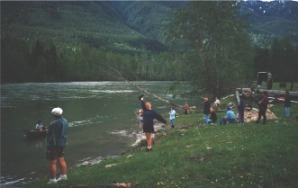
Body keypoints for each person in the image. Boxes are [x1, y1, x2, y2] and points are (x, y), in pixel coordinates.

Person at [46, 107, 68, 184]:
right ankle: (63, 176)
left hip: (54, 146)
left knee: (52, 162)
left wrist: (50, 147)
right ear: (61, 113)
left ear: (53, 115)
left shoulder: (53, 123)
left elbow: (53, 137)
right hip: (62, 144)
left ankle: (52, 180)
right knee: (61, 160)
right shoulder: (65, 121)